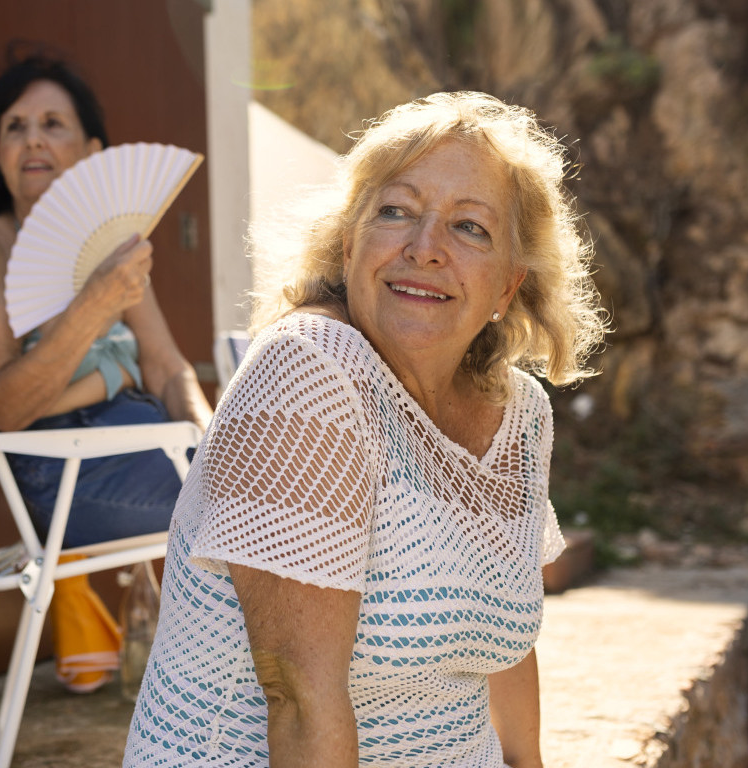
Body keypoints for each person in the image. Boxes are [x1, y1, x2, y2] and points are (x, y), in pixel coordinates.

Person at [123, 91, 608, 767]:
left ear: (506, 287)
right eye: (396, 212)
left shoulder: (520, 415)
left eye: (470, 227)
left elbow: (503, 640)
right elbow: (299, 696)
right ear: (350, 246)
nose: (425, 248)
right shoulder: (308, 373)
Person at [0, 50, 212, 548]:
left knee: (262, 486)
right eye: (14, 127)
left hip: (147, 437)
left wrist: (215, 442)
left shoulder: (113, 238)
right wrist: (93, 302)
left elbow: (165, 366)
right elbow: (5, 408)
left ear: (92, 152)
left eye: (52, 124)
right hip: (66, 468)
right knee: (256, 515)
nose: (32, 139)